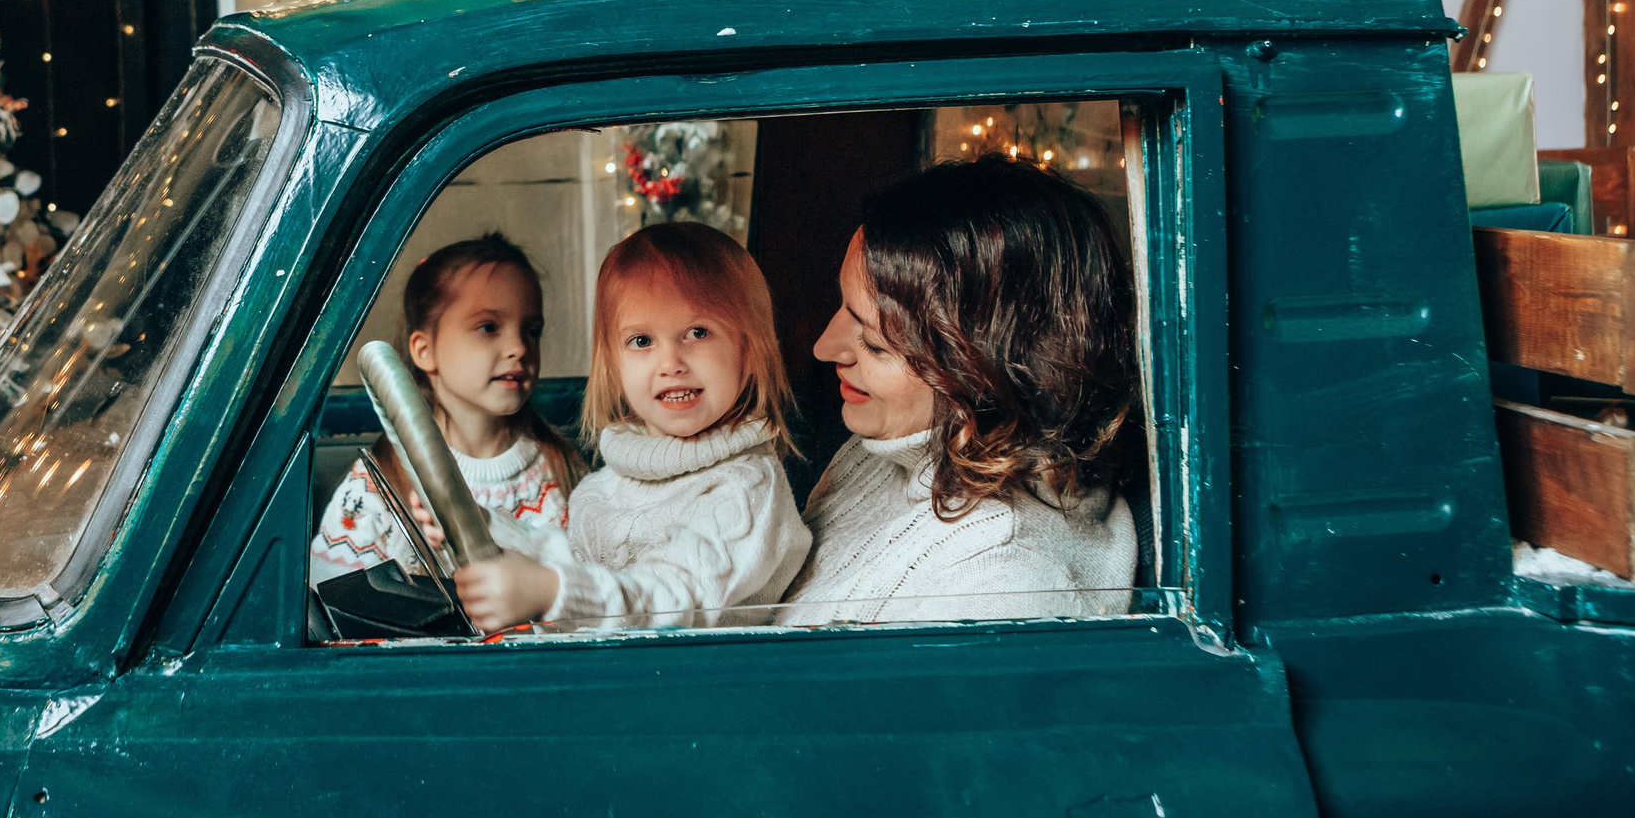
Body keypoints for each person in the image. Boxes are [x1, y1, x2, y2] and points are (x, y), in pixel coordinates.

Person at [775, 155, 1142, 626]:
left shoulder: (1000, 581)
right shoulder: (902, 447)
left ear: (980, 371)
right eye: (844, 307)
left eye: (873, 342)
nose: (824, 348)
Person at [452, 220, 810, 632]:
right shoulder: (604, 486)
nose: (670, 363)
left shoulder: (746, 488)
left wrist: (552, 592)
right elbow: (576, 564)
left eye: (697, 332)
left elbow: (673, 598)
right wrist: (486, 526)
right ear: (613, 363)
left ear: (749, 348)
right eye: (642, 341)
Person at [309, 233, 586, 589]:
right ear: (424, 351)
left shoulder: (562, 470)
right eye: (488, 327)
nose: (519, 347)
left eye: (532, 331)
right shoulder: (379, 484)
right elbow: (332, 600)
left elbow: (591, 590)